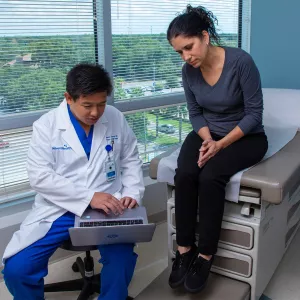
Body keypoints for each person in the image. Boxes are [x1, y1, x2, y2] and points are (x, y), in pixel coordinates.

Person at [1, 63, 145, 300]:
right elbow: (40, 176)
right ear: (69, 97)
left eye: (101, 104)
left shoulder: (115, 118)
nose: (96, 113)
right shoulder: (46, 126)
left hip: (110, 204)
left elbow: (130, 158)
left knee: (121, 260)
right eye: (87, 105)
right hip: (60, 208)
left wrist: (131, 192)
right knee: (18, 270)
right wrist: (89, 197)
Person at [166, 5, 268, 294]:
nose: (186, 57)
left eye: (189, 47)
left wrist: (220, 145)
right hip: (207, 133)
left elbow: (254, 114)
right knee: (185, 173)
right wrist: (207, 139)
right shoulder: (189, 71)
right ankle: (184, 249)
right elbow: (195, 112)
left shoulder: (240, 62)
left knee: (210, 177)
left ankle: (205, 255)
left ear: (205, 36)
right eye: (179, 52)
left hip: (246, 137)